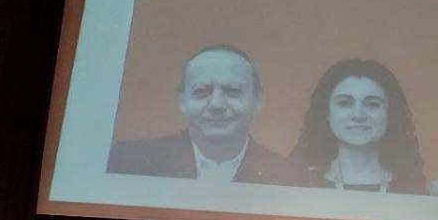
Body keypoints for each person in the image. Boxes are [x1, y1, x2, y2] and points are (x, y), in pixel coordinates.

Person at [107, 44, 304, 185]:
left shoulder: (294, 178)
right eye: (201, 92)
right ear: (182, 102)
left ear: (258, 101)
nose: (216, 104)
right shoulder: (129, 162)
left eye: (232, 91)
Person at [291, 59, 427, 194]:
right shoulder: (300, 184)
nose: (358, 115)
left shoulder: (417, 188)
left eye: (372, 104)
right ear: (326, 112)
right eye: (344, 103)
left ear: (390, 113)